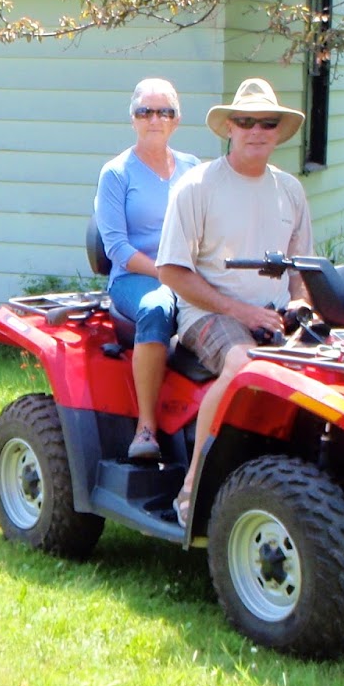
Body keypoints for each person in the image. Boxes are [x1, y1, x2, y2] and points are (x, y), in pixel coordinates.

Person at [156, 78, 314, 524]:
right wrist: (240, 311)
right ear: (229, 127)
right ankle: (192, 487)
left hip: (275, 317)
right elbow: (171, 271)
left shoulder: (290, 191)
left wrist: (301, 303)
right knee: (243, 363)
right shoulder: (198, 186)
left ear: (279, 131)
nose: (256, 130)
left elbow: (301, 269)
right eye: (245, 121)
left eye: (267, 122)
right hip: (207, 314)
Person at [94, 77, 200, 463]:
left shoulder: (193, 168)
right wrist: (167, 274)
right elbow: (117, 248)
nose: (155, 119)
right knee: (156, 308)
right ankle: (146, 427)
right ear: (133, 118)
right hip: (136, 277)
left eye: (164, 112)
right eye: (145, 111)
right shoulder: (116, 173)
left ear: (177, 120)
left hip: (188, 273)